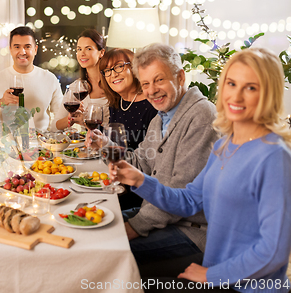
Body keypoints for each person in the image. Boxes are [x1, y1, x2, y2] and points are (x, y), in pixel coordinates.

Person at [110, 47, 291, 292]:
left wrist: (212, 274)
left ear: (269, 94)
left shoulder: (274, 156)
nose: (235, 96)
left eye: (251, 87)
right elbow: (190, 199)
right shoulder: (225, 146)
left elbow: (274, 251)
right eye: (231, 83)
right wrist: (141, 180)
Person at [89, 43, 219, 270]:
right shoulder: (161, 117)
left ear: (180, 77)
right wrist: (105, 146)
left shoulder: (201, 115)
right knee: (92, 228)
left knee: (103, 256)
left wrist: (135, 227)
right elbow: (140, 162)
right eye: (146, 83)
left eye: (159, 80)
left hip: (193, 231)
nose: (151, 91)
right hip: (158, 215)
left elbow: (179, 192)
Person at [97, 48, 157, 210]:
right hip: (116, 178)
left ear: (135, 68)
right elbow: (115, 146)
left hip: (138, 189)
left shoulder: (152, 106)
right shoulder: (116, 104)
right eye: (107, 70)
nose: (113, 74)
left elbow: (151, 162)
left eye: (119, 66)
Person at [0, 26, 64, 131]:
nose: (22, 52)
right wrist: (1, 103)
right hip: (8, 143)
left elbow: (60, 116)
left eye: (27, 46)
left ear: (35, 49)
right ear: (10, 50)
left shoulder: (49, 78)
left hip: (41, 143)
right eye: (17, 47)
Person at [52, 29, 109, 130]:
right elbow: (55, 126)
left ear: (101, 52)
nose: (82, 54)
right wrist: (71, 118)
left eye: (88, 49)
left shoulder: (113, 82)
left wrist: (85, 120)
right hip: (86, 144)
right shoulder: (76, 87)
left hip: (112, 143)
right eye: (79, 49)